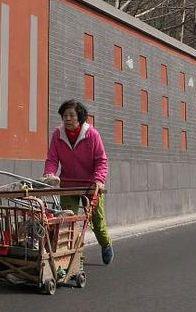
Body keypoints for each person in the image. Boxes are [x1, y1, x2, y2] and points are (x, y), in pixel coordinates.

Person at [43, 99, 113, 265]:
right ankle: (73, 257)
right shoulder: (57, 134)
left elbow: (101, 161)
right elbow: (52, 158)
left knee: (97, 221)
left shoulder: (92, 135)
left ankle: (106, 244)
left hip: (91, 185)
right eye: (65, 115)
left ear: (80, 117)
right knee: (69, 221)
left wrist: (98, 180)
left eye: (71, 115)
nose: (67, 119)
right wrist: (49, 173)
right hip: (68, 185)